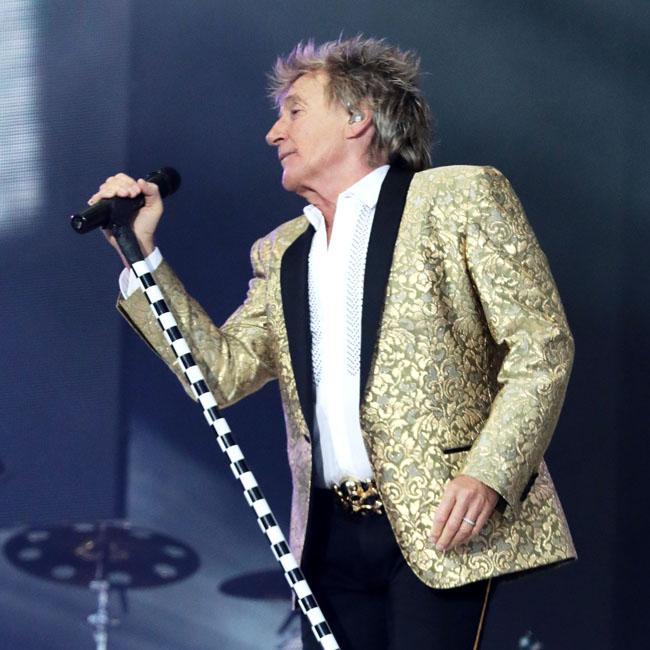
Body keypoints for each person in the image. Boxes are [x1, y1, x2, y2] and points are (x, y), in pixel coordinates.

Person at [90, 37, 576, 650]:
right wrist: (139, 255)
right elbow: (220, 373)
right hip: (328, 536)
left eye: (294, 111)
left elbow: (541, 348)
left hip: (439, 520)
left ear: (357, 117)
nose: (274, 133)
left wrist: (489, 472)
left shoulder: (457, 198)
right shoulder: (283, 250)